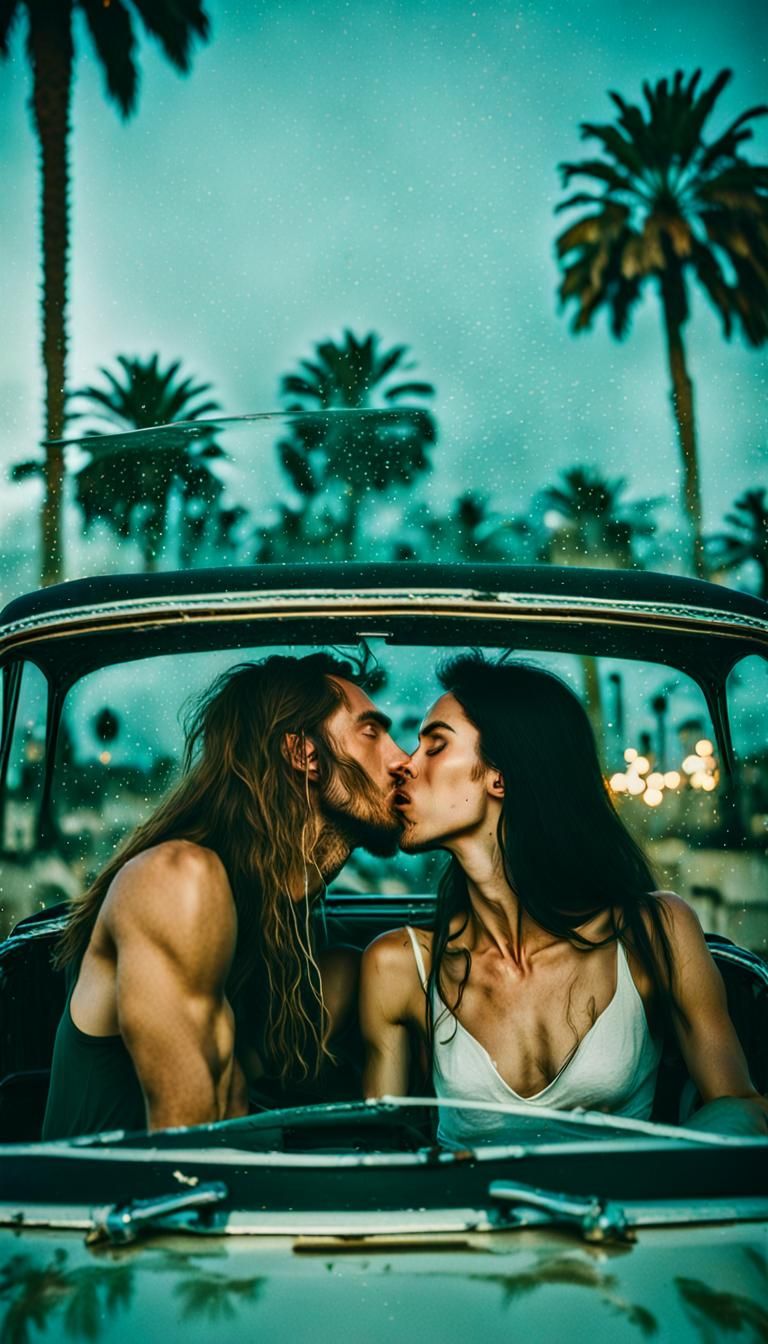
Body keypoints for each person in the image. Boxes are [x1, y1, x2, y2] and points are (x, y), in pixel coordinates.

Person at [360, 653, 767, 1147]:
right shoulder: (399, 967)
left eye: (435, 746)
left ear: (500, 777)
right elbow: (377, 1159)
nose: (405, 763)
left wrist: (661, 1163)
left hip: (630, 1220)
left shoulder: (655, 931)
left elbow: (742, 1110)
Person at [43, 652, 408, 1139]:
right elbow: (190, 1164)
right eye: (371, 732)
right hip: (107, 1209)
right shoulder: (178, 881)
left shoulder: (285, 941)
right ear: (305, 756)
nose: (402, 759)